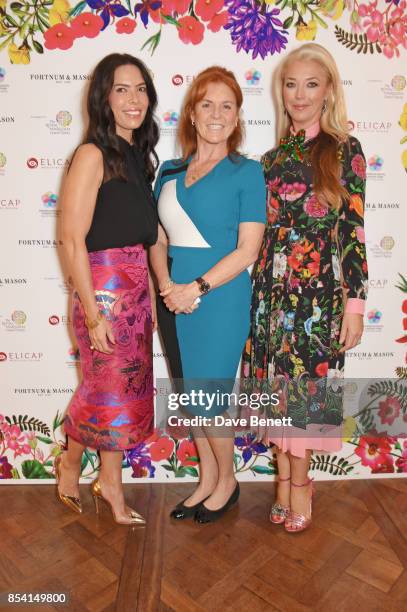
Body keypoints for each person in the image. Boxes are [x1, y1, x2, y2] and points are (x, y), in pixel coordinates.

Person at [243, 43, 368, 532]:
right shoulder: (269, 160)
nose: (299, 94)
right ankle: (282, 482)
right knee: (276, 397)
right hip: (269, 298)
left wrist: (354, 305)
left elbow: (352, 233)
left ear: (328, 90)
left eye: (311, 84)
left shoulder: (345, 151)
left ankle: (300, 487)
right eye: (291, 84)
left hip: (317, 297)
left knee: (305, 399)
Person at [150, 66, 266, 523]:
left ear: (236, 117)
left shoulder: (247, 171)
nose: (216, 114)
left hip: (219, 298)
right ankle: (207, 480)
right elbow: (158, 238)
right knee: (189, 393)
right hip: (172, 297)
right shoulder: (170, 169)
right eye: (207, 104)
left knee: (210, 396)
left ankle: (229, 480)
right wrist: (166, 286)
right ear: (192, 115)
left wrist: (194, 288)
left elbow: (248, 249)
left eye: (227, 105)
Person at [57, 53, 159, 525]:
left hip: (136, 294)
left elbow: (144, 236)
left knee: (116, 393)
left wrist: (152, 296)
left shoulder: (138, 157)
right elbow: (71, 239)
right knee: (104, 389)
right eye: (121, 89)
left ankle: (97, 475)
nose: (133, 99)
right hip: (104, 293)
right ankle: (81, 468)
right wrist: (94, 315)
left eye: (140, 88)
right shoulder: (92, 154)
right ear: (103, 97)